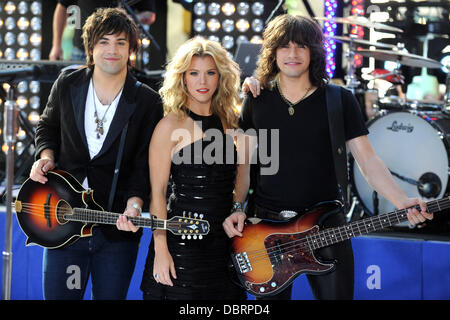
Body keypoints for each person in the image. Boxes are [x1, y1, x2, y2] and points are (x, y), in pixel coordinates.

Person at [222, 14, 433, 300]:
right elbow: (243, 165)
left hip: (327, 226)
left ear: (315, 52)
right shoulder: (256, 99)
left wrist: (401, 201)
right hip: (267, 232)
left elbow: (368, 161)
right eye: (284, 46)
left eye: (302, 46)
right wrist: (237, 206)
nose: (293, 54)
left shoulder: (339, 99)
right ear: (273, 52)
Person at [30, 8, 163, 299]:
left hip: (116, 230)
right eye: (103, 41)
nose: (112, 49)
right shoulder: (68, 84)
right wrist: (46, 156)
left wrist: (135, 205)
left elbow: (145, 162)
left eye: (120, 42)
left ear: (132, 48)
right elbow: (47, 126)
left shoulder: (147, 101)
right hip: (64, 223)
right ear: (90, 47)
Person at [117, 36, 247, 300]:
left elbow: (242, 177)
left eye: (210, 73)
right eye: (194, 73)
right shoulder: (168, 126)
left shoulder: (232, 121)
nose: (202, 81)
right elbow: (157, 194)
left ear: (221, 77)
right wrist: (161, 248)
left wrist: (237, 208)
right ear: (183, 78)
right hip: (179, 246)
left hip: (225, 248)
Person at [49, 0, 156, 61]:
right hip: (83, 51)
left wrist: (128, 17)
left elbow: (150, 15)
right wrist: (56, 45)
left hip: (117, 52)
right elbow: (62, 7)